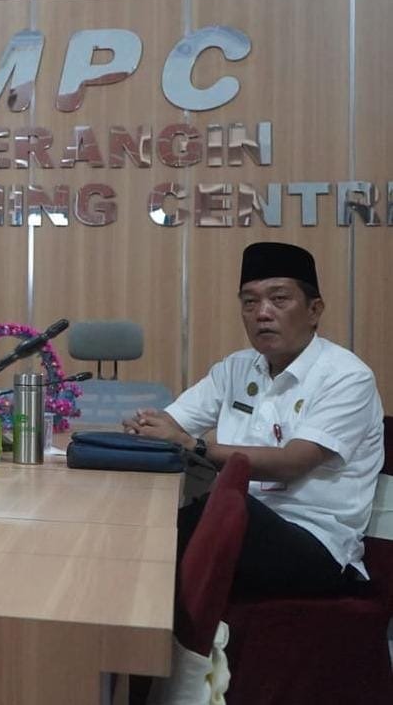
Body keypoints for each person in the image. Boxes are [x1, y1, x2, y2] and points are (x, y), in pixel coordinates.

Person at [126, 241, 383, 597]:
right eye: (250, 302)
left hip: (314, 543)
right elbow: (172, 422)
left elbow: (292, 463)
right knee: (152, 524)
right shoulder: (236, 368)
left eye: (279, 299)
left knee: (206, 519)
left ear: (314, 310)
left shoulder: (346, 376)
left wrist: (193, 446)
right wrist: (148, 428)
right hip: (241, 522)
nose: (262, 313)